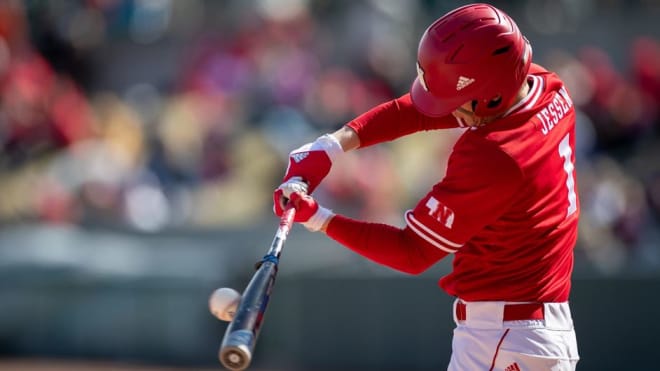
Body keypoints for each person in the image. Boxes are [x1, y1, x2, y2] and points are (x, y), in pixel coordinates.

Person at [273, 3, 580, 370]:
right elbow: (425, 110)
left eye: (458, 100)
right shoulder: (545, 86)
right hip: (526, 331)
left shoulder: (494, 156)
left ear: (492, 96)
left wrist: (320, 218)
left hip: (506, 338)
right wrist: (333, 144)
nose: (450, 110)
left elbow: (411, 252)